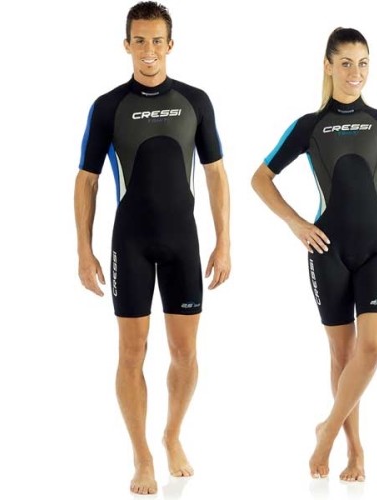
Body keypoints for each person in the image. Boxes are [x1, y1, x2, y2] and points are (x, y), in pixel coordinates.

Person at [74, 2, 231, 495]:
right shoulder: (108, 106)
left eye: (156, 40)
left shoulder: (195, 101)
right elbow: (86, 181)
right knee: (132, 351)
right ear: (126, 45)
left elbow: (216, 174)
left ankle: (172, 435)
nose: (148, 50)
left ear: (170, 44)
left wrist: (224, 241)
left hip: (184, 241)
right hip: (131, 242)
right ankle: (141, 455)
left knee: (185, 352)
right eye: (139, 40)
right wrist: (83, 250)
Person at [251, 27, 377, 482]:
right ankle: (355, 450)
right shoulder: (310, 125)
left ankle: (326, 431)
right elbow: (260, 179)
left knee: (373, 346)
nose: (355, 72)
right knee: (342, 354)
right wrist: (296, 223)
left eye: (362, 63)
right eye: (345, 63)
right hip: (329, 250)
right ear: (328, 66)